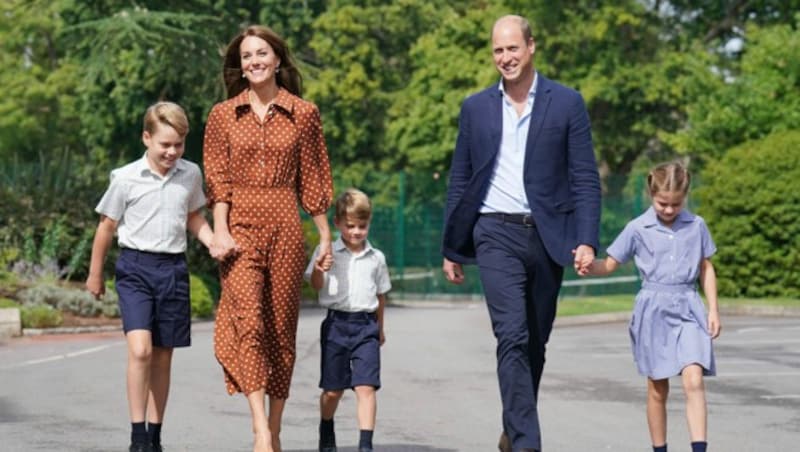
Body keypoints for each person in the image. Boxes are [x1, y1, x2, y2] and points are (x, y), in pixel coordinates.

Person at [441, 14, 601, 452]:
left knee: (535, 341)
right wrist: (451, 246)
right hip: (494, 230)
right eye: (498, 50)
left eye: (512, 48)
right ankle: (528, 442)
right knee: (510, 334)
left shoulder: (567, 103)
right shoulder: (476, 108)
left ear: (531, 46)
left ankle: (513, 429)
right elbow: (461, 177)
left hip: (549, 237)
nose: (505, 58)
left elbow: (585, 176)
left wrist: (586, 239)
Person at [203, 25, 333, 452]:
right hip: (239, 226)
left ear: (277, 59)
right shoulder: (223, 115)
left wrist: (325, 238)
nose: (253, 61)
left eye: (262, 53)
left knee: (280, 329)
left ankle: (275, 428)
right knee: (250, 324)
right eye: (246, 56)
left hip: (285, 226)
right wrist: (220, 229)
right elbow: (218, 181)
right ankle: (260, 429)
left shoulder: (304, 113)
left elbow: (313, 180)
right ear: (239, 66)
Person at [86, 101, 214, 452]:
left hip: (173, 269)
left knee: (162, 354)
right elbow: (106, 226)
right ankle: (137, 434)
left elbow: (194, 217)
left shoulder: (190, 174)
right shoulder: (125, 177)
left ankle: (155, 435)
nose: (172, 151)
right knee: (140, 350)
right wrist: (95, 274)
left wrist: (212, 240)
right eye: (165, 144)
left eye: (179, 144)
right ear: (147, 138)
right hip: (135, 269)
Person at [575, 162, 721, 452]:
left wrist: (713, 309)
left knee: (694, 379)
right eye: (662, 203)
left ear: (685, 197)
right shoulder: (637, 228)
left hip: (689, 307)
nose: (668, 210)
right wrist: (590, 266)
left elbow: (706, 268)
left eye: (675, 204)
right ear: (651, 194)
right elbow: (611, 264)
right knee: (658, 388)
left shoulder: (696, 226)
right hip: (652, 310)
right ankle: (660, 449)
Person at [303, 188, 391, 452]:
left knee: (366, 387)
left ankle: (365, 445)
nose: (356, 232)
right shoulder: (326, 250)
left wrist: (380, 329)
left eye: (362, 226)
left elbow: (380, 296)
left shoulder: (376, 258)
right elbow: (316, 285)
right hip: (336, 326)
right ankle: (326, 425)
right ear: (338, 223)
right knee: (333, 391)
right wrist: (320, 267)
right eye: (350, 226)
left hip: (366, 326)